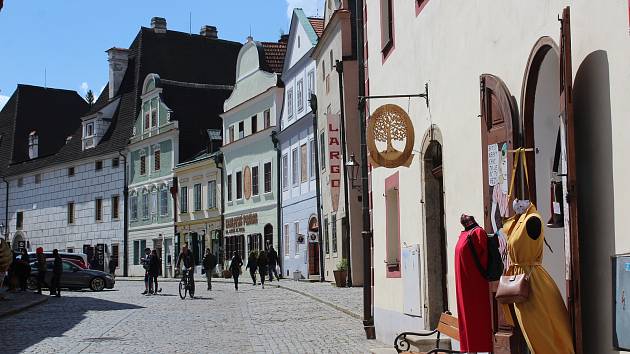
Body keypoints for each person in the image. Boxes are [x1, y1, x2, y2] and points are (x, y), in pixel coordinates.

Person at [501, 200, 575, 353]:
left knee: (544, 330)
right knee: (534, 333)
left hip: (534, 283)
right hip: (522, 284)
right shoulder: (518, 223)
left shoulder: (532, 220)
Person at [454, 214, 493, 353]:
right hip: (463, 285)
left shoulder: (477, 232)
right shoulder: (464, 234)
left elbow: (485, 257)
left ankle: (481, 348)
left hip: (475, 284)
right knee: (467, 318)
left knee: (478, 317)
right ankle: (470, 349)